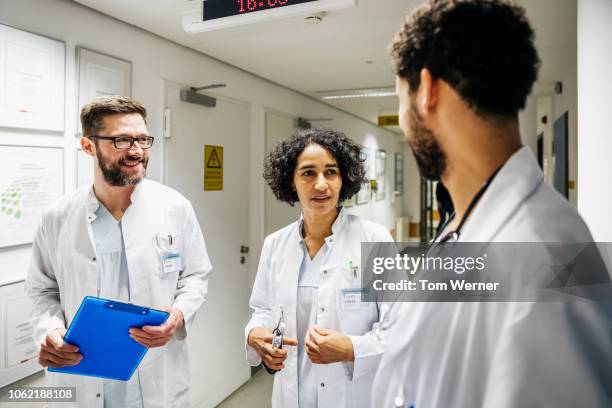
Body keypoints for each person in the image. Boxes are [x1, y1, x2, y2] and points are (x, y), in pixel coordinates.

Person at [371, 0, 612, 407]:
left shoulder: (547, 263)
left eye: (400, 99)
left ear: (427, 90)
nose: (403, 117)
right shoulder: (471, 223)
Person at [25, 95, 212, 408]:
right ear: (88, 146)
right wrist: (50, 331)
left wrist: (178, 316)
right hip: (80, 378)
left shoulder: (175, 208)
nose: (136, 151)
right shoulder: (57, 218)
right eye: (121, 140)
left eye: (142, 139)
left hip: (154, 377)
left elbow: (195, 275)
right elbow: (41, 291)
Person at [245, 128, 394, 408]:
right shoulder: (275, 244)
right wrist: (254, 334)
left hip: (351, 396)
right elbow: (263, 310)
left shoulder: (375, 239)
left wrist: (351, 348)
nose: (321, 185)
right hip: (291, 395)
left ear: (344, 178)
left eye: (331, 172)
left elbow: (399, 326)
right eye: (308, 173)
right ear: (291, 181)